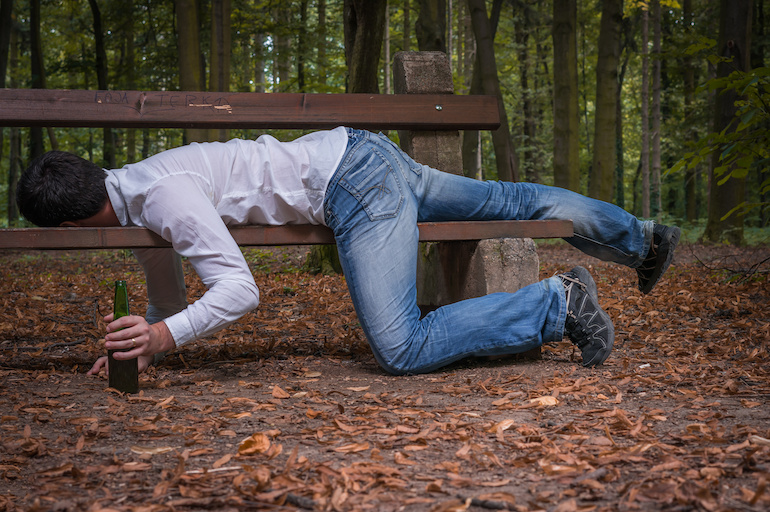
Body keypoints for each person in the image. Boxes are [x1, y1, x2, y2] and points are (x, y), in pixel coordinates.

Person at [16, 127, 680, 376]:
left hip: (355, 185)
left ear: (81, 215)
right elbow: (165, 294)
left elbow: (240, 291)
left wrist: (164, 336)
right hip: (362, 153)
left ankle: (557, 304)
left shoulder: (160, 199)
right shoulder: (134, 190)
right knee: (512, 199)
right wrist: (142, 345)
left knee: (401, 347)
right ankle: (641, 238)